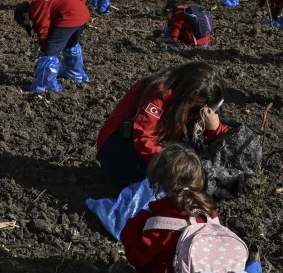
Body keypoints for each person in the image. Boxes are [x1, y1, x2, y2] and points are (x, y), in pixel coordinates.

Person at [119, 144, 260, 273]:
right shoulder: (209, 212)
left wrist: (134, 226)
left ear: (161, 182)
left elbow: (138, 258)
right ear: (198, 179)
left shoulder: (159, 221)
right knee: (253, 269)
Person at [95, 61, 228, 186]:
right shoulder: (159, 93)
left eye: (200, 103)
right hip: (121, 147)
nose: (193, 106)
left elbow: (215, 137)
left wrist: (214, 129)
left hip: (160, 144)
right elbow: (144, 139)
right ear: (186, 91)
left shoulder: (196, 101)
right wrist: (176, 165)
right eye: (192, 101)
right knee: (175, 182)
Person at [22, 0, 90, 92]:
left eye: (24, 22)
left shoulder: (36, 8)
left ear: (25, 14)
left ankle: (46, 85)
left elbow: (43, 30)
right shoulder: (40, 2)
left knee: (51, 49)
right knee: (70, 44)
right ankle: (74, 73)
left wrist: (44, 50)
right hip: (83, 14)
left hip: (71, 16)